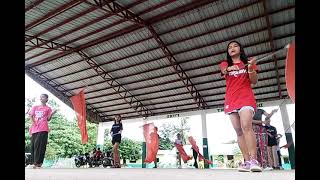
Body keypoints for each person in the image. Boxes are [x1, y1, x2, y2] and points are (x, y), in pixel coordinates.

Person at [219, 40, 261, 172]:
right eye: (229, 47)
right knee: (238, 131)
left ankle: (254, 160)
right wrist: (229, 68)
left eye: (235, 46)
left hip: (246, 98)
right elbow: (223, 70)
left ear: (240, 49)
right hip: (231, 100)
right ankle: (247, 161)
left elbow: (254, 81)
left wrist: (249, 69)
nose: (232, 48)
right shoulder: (225, 63)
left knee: (246, 126)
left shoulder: (248, 63)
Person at [28, 94, 57, 168]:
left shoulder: (48, 108)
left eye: (43, 97)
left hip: (43, 128)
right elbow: (31, 115)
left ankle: (38, 163)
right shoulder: (35, 107)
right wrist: (34, 123)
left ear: (47, 99)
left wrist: (52, 113)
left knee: (41, 145)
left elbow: (48, 119)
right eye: (40, 97)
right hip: (34, 129)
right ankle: (33, 163)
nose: (41, 98)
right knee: (33, 146)